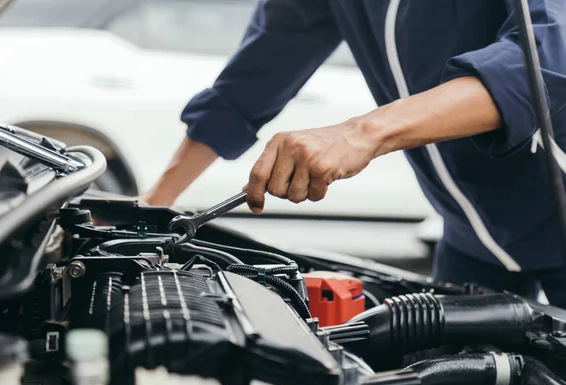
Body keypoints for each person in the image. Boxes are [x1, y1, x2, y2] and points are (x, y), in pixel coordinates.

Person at [143, 0, 566, 305]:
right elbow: (251, 79)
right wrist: (152, 209)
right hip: (471, 237)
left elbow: (544, 58)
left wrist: (361, 133)